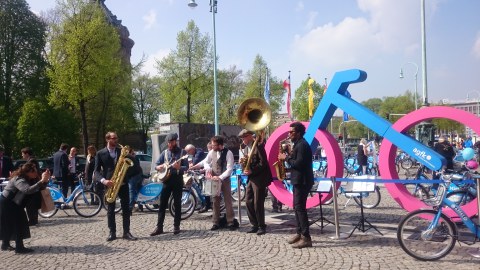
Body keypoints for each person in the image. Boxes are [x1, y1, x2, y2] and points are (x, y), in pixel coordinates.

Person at [94, 132, 137, 241]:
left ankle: (126, 232)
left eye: (116, 138)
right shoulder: (100, 153)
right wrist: (104, 181)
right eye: (113, 138)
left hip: (123, 183)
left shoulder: (121, 151)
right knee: (111, 209)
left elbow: (132, 164)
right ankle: (112, 232)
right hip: (110, 184)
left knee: (126, 209)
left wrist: (130, 159)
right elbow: (96, 171)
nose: (116, 140)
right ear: (107, 139)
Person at [0, 163, 50, 253]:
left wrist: (45, 180)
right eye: (34, 171)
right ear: (28, 172)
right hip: (8, 203)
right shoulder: (19, 179)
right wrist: (41, 181)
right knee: (18, 223)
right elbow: (27, 190)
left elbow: (39, 187)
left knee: (12, 223)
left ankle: (5, 244)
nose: (36, 173)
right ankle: (19, 247)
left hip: (15, 203)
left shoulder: (30, 178)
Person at [278, 122, 313, 248]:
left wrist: (285, 157)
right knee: (297, 207)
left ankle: (306, 237)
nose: (289, 134)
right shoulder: (298, 144)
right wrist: (288, 153)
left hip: (302, 181)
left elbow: (298, 164)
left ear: (298, 133)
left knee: (300, 209)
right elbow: (297, 162)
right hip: (298, 180)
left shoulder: (302, 145)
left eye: (292, 132)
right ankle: (299, 233)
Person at [150, 133, 187, 236]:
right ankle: (159, 227)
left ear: (176, 141)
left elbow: (186, 167)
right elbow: (156, 166)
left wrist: (179, 167)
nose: (170, 144)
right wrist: (160, 167)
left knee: (177, 204)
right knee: (162, 204)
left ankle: (176, 226)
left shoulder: (182, 153)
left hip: (177, 180)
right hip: (166, 181)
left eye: (172, 142)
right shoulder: (164, 153)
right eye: (169, 142)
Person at [238, 129, 272, 235]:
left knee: (258, 203)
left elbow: (263, 163)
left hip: (259, 178)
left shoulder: (258, 145)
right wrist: (242, 164)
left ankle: (262, 225)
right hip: (251, 178)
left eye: (244, 138)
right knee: (248, 201)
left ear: (249, 136)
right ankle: (254, 224)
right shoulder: (246, 148)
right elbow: (248, 163)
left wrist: (252, 170)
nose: (242, 140)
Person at [203, 136, 236, 231]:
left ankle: (230, 221)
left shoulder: (228, 153)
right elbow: (205, 161)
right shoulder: (211, 152)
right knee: (215, 201)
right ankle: (215, 222)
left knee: (228, 201)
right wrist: (207, 168)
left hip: (225, 179)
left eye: (214, 145)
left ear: (220, 145)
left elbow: (229, 169)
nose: (212, 146)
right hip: (214, 179)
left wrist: (220, 177)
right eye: (212, 144)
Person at [184, 144, 210, 213]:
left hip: (204, 173)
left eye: (188, 152)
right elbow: (190, 161)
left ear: (191, 150)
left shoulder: (199, 152)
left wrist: (191, 166)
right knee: (200, 189)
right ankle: (203, 204)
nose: (188, 153)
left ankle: (207, 205)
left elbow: (196, 161)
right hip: (198, 173)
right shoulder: (193, 153)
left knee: (204, 190)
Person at [19, 147, 41, 226]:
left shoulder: (31, 161)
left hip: (32, 184)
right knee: (31, 204)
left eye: (22, 154)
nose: (22, 155)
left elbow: (27, 171)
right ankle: (33, 220)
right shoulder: (32, 160)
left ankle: (32, 220)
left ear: (26, 153)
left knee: (31, 204)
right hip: (33, 184)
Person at [127, 149, 143, 213]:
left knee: (131, 192)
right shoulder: (135, 157)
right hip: (139, 175)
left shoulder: (130, 158)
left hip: (133, 176)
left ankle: (130, 209)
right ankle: (140, 205)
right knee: (138, 191)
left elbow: (131, 170)